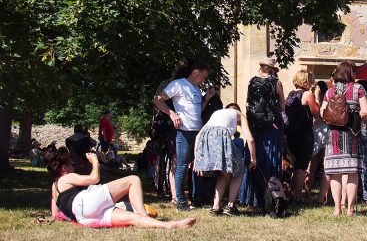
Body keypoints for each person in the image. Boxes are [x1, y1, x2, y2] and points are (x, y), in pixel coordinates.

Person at [48, 152, 195, 229]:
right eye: (70, 164)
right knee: (133, 180)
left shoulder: (54, 188)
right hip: (85, 203)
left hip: (84, 217)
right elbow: (94, 178)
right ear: (63, 169)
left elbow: (55, 215)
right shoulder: (67, 177)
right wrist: (95, 162)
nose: (73, 166)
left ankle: (169, 225)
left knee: (132, 218)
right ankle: (146, 217)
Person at [153, 59, 216, 211]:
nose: (204, 80)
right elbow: (157, 100)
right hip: (184, 131)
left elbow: (197, 111)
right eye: (203, 77)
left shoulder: (195, 89)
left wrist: (206, 98)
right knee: (181, 164)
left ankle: (196, 197)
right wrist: (172, 114)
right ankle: (180, 201)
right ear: (196, 72)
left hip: (197, 131)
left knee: (193, 165)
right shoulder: (178, 84)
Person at [320, 61, 367, 216]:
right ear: (350, 73)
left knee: (335, 173)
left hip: (333, 135)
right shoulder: (358, 89)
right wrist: (354, 117)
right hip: (351, 135)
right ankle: (350, 209)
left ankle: (336, 209)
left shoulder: (330, 91)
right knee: (352, 173)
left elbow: (322, 112)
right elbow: (366, 112)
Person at [194, 103, 257, 216]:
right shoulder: (240, 115)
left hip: (206, 137)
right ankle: (231, 206)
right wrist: (253, 159)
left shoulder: (217, 113)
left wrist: (197, 158)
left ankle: (216, 207)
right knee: (240, 170)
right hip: (221, 136)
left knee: (225, 174)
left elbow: (198, 136)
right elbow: (250, 139)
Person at [244, 57, 286, 211]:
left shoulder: (252, 81)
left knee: (255, 160)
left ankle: (252, 200)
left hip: (255, 126)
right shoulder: (276, 82)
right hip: (271, 127)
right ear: (272, 69)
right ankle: (271, 198)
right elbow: (282, 106)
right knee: (271, 162)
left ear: (260, 67)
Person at [284, 70, 320, 202]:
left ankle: (290, 194)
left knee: (293, 165)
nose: (312, 81)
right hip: (304, 135)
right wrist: (316, 96)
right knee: (301, 166)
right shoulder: (307, 94)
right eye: (310, 79)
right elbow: (316, 113)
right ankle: (297, 197)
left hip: (291, 134)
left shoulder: (291, 94)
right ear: (305, 80)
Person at [306, 80, 331, 204]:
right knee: (321, 166)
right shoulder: (328, 99)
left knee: (315, 166)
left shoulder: (321, 99)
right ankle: (323, 194)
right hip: (322, 132)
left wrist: (316, 96)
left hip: (319, 132)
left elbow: (318, 114)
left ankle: (312, 193)